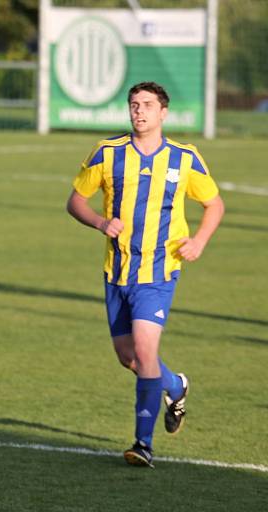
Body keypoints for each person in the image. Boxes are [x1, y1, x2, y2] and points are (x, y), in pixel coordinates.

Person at [66, 81, 225, 467]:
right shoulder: (108, 153)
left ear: (163, 113)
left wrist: (200, 241)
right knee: (129, 358)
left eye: (148, 105)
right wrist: (101, 224)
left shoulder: (185, 158)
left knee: (145, 350)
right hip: (117, 271)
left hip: (159, 272)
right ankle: (175, 385)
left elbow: (214, 204)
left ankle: (143, 443)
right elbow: (74, 202)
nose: (139, 111)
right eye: (134, 105)